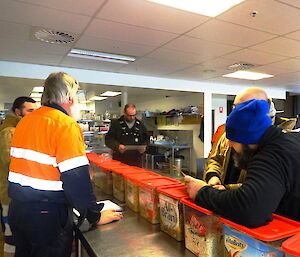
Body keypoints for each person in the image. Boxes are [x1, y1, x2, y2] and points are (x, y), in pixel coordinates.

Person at [8, 72, 123, 257]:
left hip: (19, 211)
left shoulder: (26, 121)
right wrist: (95, 216)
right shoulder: (64, 124)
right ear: (70, 97)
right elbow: (77, 181)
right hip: (47, 218)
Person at [185, 98, 300, 227]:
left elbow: (249, 210)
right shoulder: (291, 140)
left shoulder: (270, 156)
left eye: (232, 140)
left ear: (246, 139)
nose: (229, 144)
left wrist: (201, 193)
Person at [203, 87, 296, 190]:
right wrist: (212, 175)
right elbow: (215, 158)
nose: (236, 112)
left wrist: (227, 189)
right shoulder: (230, 130)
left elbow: (264, 187)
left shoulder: (279, 143)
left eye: (243, 107)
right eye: (235, 107)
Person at [0, 96, 36, 257]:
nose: (33, 114)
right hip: (9, 195)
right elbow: (12, 163)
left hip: (18, 195)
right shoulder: (9, 132)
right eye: (30, 111)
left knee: (19, 237)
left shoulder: (19, 129)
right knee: (11, 238)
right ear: (17, 111)